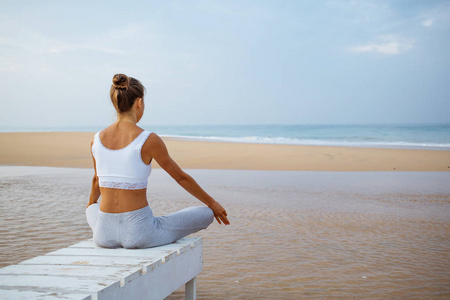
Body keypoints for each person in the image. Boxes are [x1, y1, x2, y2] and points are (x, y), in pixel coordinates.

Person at [85, 74, 229, 249]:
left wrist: (91, 205)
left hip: (103, 235)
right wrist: (212, 203)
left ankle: (102, 224)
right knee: (206, 213)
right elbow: (180, 178)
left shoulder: (96, 139)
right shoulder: (148, 139)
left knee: (92, 208)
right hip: (140, 233)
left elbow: (96, 180)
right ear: (139, 103)